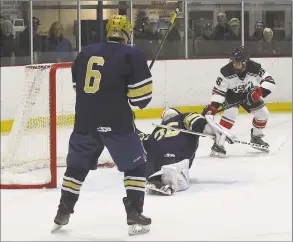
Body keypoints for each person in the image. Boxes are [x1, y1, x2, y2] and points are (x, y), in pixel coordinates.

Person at [52, 15, 153, 236]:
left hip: (85, 122)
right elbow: (141, 101)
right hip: (117, 123)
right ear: (127, 32)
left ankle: (63, 210)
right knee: (136, 166)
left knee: (76, 168)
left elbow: (78, 87)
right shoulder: (132, 54)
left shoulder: (85, 52)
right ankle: (134, 212)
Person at [136, 108, 232, 196]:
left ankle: (153, 177)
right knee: (179, 173)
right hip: (176, 155)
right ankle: (172, 173)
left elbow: (140, 141)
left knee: (151, 159)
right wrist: (212, 130)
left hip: (154, 159)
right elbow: (196, 121)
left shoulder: (157, 130)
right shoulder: (182, 117)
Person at [202, 46, 276, 157]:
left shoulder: (255, 68)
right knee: (230, 116)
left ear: (245, 62)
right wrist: (213, 107)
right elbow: (219, 91)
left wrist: (259, 91)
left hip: (249, 94)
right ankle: (218, 144)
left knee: (263, 113)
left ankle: (256, 138)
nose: (235, 64)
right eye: (234, 62)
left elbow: (269, 80)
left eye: (238, 63)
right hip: (231, 95)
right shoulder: (225, 72)